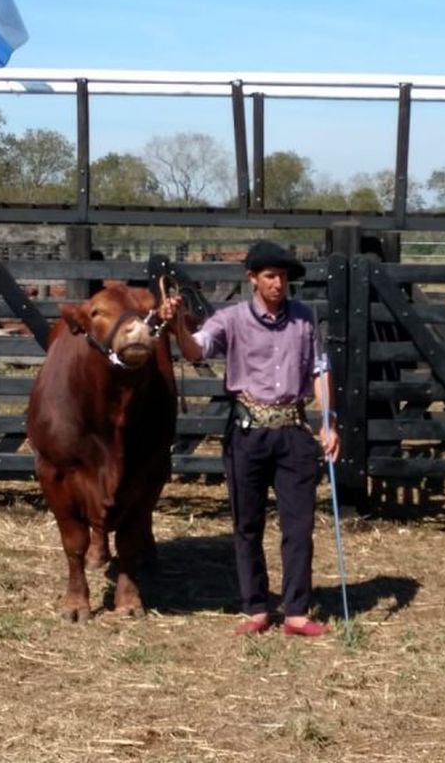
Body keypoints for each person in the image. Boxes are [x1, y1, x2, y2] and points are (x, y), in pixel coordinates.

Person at [161, 240, 340, 636]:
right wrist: (177, 328)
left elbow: (320, 371)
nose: (279, 284)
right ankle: (256, 607)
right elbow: (196, 350)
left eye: (284, 277)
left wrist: (328, 421)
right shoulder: (231, 320)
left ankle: (295, 611)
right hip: (247, 432)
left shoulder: (305, 320)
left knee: (299, 525)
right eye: (271, 276)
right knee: (247, 524)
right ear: (253, 279)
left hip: (294, 431)